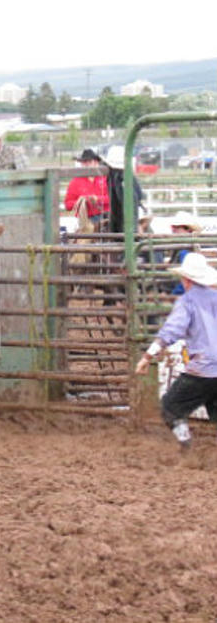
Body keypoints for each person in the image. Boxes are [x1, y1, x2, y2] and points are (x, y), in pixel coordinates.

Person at [135, 252, 217, 451]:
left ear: (186, 279)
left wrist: (147, 356)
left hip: (203, 369)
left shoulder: (187, 302)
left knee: (170, 407)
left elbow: (170, 331)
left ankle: (186, 445)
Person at [102, 146, 145, 234]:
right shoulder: (124, 178)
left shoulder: (119, 179)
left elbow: (130, 205)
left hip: (124, 228)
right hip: (124, 227)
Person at [64, 149, 110, 225]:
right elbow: (68, 205)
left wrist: (98, 199)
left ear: (96, 163)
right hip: (86, 220)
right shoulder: (75, 182)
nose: (87, 164)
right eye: (84, 162)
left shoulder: (106, 179)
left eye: (90, 162)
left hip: (107, 217)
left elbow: (113, 198)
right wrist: (82, 202)